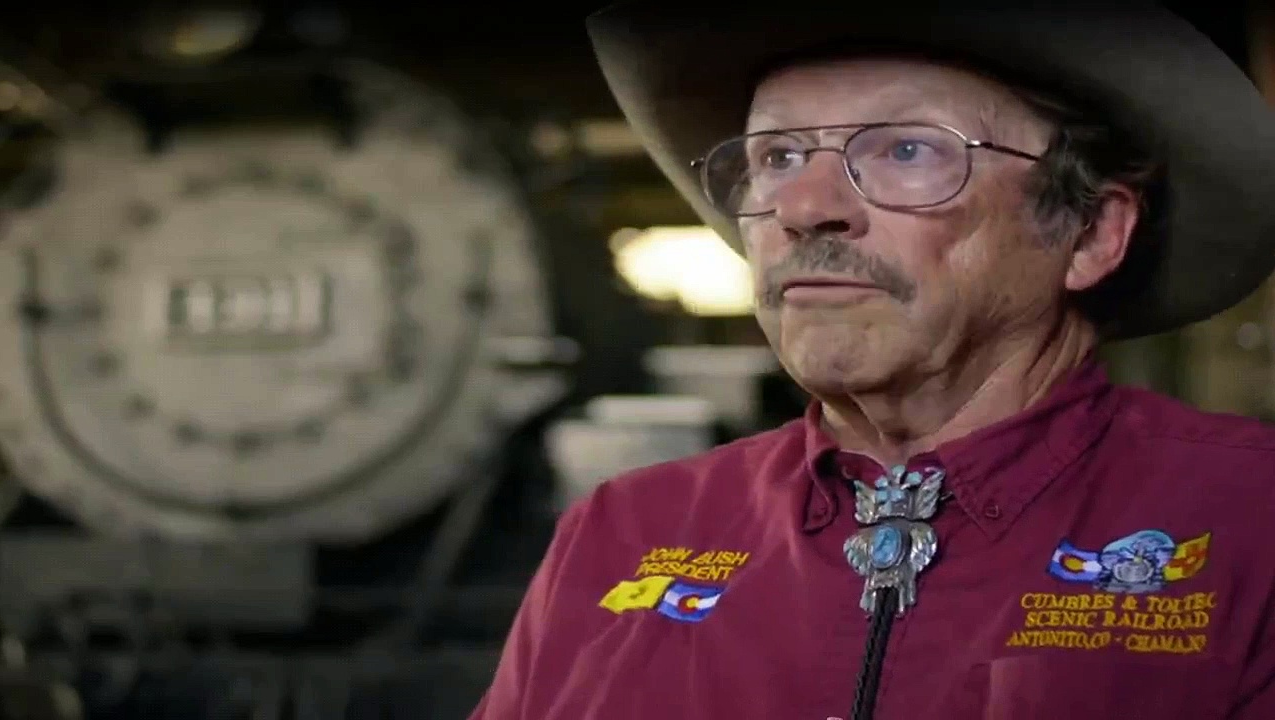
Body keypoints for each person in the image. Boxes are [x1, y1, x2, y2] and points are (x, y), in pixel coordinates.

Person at [470, 3, 1275, 719]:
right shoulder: (627, 530)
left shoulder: (1248, 514)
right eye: (778, 158)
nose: (804, 207)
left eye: (907, 150)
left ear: (1091, 233)